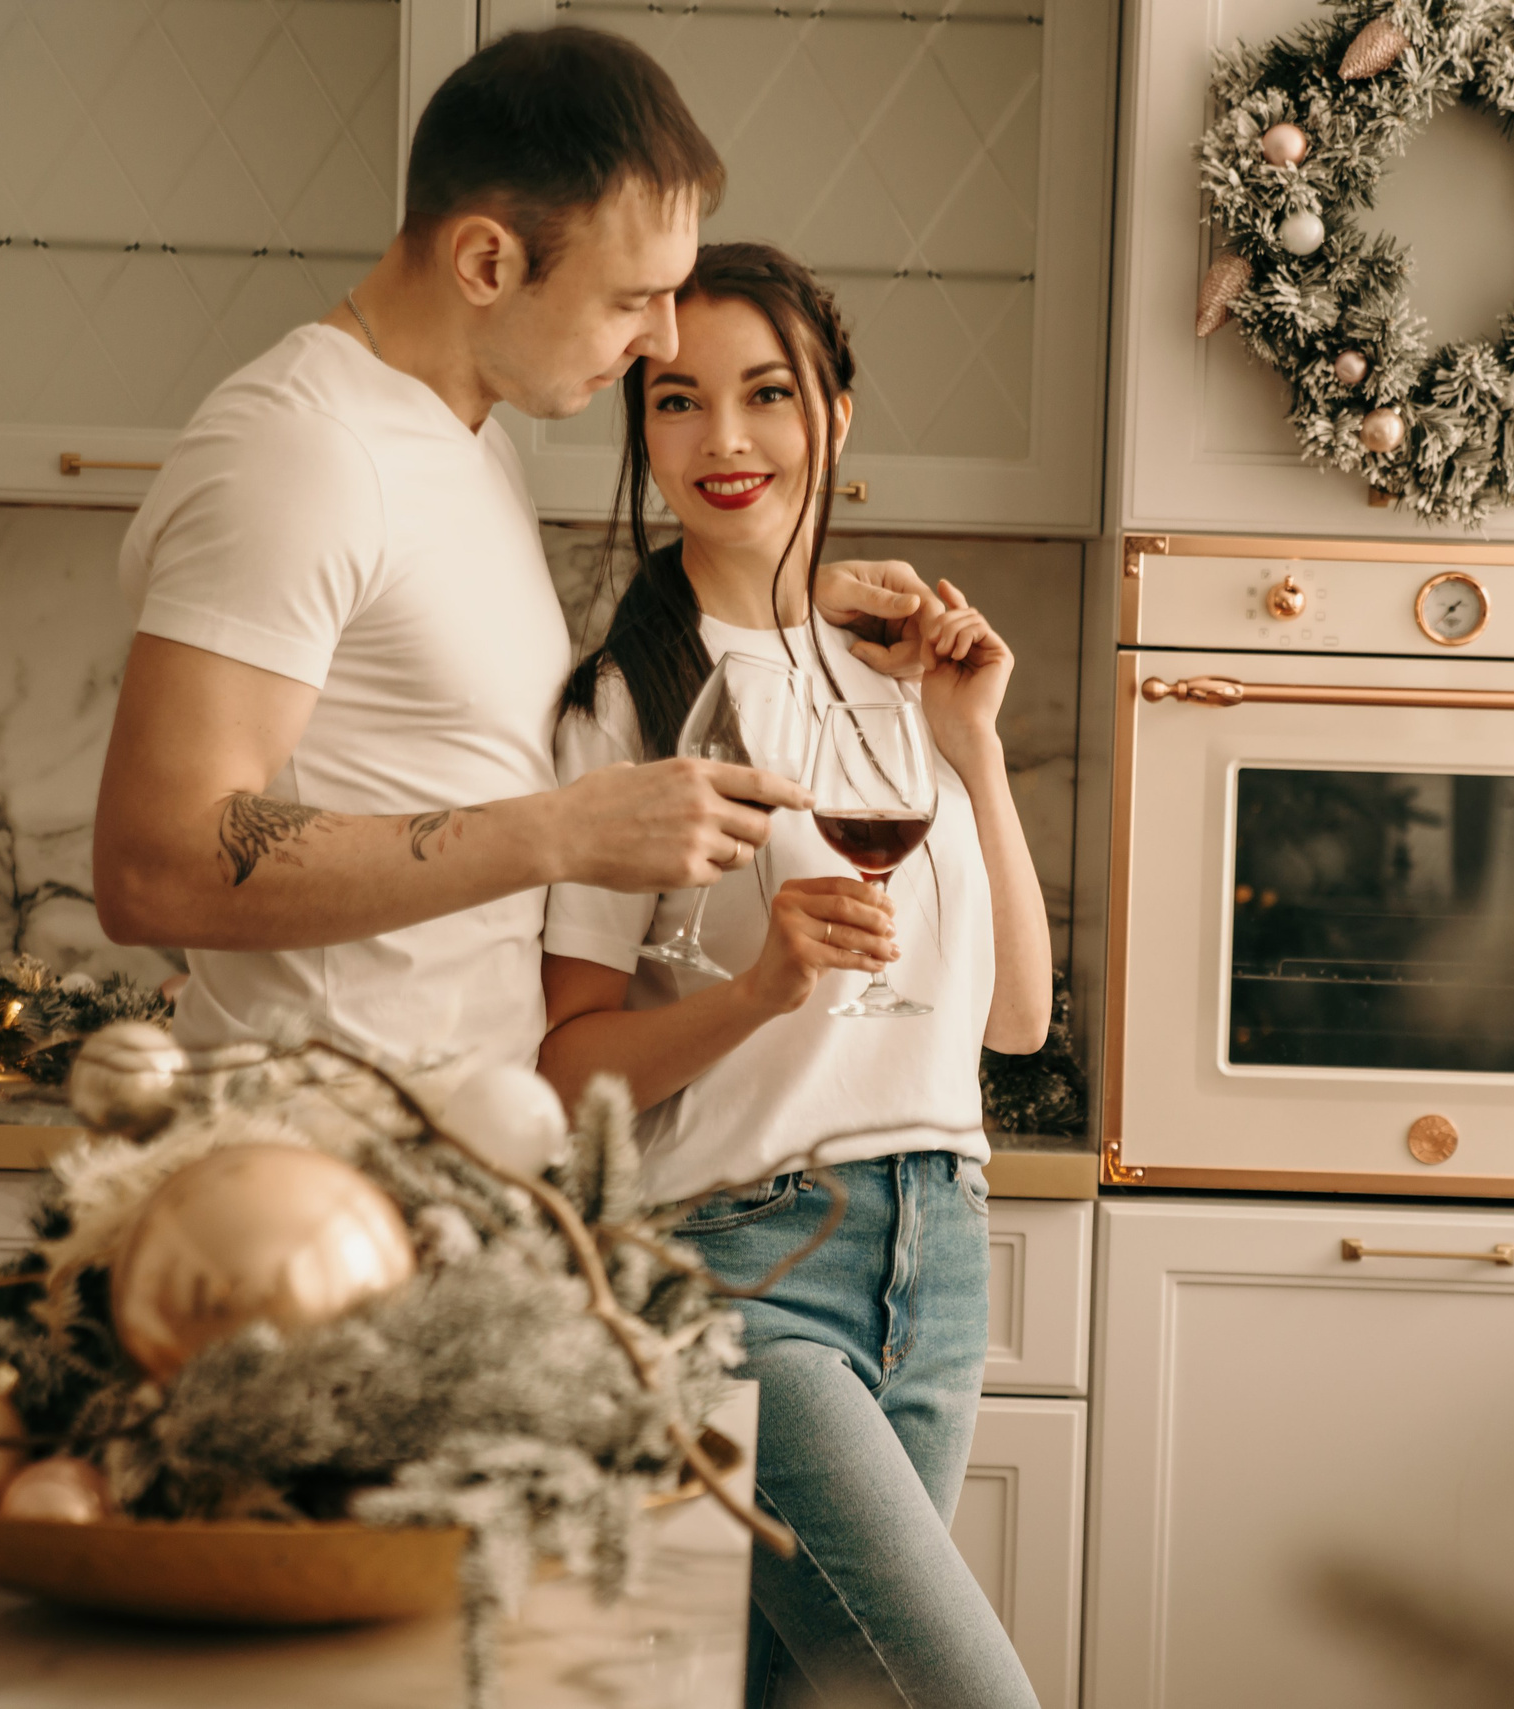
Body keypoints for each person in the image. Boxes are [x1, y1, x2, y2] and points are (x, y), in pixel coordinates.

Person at [91, 28, 930, 1074]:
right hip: (322, 1172)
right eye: (633, 298)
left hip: (456, 1160)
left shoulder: (466, 441)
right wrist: (557, 835)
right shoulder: (298, 450)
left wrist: (791, 598)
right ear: (487, 260)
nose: (663, 341)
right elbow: (152, 865)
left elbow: (440, 725)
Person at [536, 243, 1053, 1709]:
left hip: (940, 1256)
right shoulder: (625, 702)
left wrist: (976, 746)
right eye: (678, 401)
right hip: (743, 1270)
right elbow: (566, 1066)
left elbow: (1012, 1022)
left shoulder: (906, 673)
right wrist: (762, 988)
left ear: (836, 411)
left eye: (767, 393)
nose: (726, 441)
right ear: (641, 430)